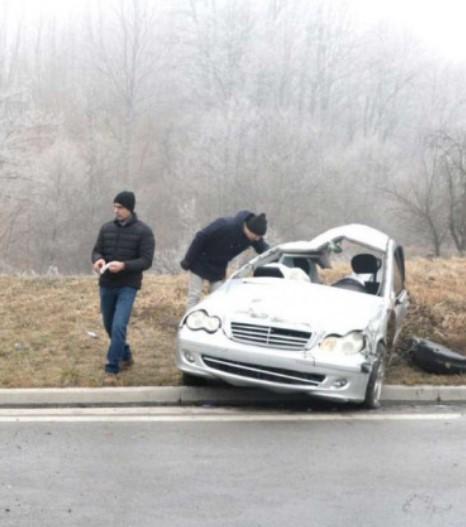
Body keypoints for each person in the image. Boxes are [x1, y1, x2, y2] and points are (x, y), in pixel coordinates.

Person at [92, 191, 155, 385]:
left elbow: (146, 260)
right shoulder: (106, 228)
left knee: (119, 325)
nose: (116, 210)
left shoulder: (144, 231)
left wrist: (125, 266)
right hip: (106, 283)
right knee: (109, 326)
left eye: (120, 207)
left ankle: (112, 368)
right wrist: (98, 260)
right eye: (115, 206)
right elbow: (96, 250)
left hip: (128, 286)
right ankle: (126, 354)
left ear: (130, 209)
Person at [180, 210, 269, 310]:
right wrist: (188, 259)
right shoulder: (226, 225)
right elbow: (200, 236)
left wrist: (274, 255)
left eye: (259, 237)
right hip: (200, 261)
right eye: (256, 236)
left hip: (219, 267)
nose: (257, 239)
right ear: (249, 229)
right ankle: (189, 321)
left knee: (218, 297)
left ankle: (212, 322)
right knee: (194, 296)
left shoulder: (252, 238)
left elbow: (264, 249)